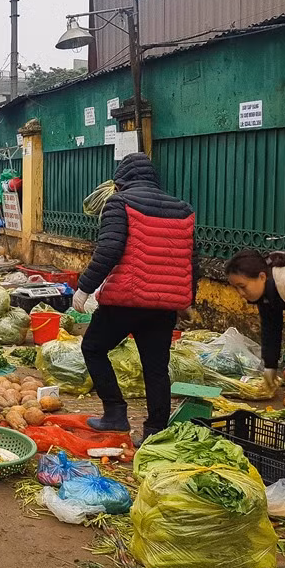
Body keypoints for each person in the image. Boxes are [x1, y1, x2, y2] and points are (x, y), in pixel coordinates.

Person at [73, 152, 197, 441]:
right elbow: (192, 259)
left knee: (93, 348)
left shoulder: (119, 202)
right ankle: (155, 432)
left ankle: (115, 413)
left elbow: (109, 250)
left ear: (120, 181)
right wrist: (187, 298)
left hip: (125, 298)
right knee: (156, 368)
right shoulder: (183, 209)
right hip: (164, 304)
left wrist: (84, 287)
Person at [225, 249, 285, 426]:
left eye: (242, 286)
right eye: (236, 288)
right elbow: (271, 327)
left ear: (262, 277)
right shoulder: (266, 293)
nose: (240, 293)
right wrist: (270, 366)